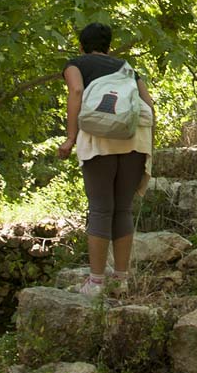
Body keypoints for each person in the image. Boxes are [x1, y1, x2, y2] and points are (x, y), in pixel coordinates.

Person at [58, 22, 155, 297]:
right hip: (134, 138)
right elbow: (149, 105)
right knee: (122, 209)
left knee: (101, 209)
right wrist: (148, 148)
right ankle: (121, 280)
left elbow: (76, 91)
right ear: (109, 46)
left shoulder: (75, 64)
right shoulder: (127, 69)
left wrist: (70, 137)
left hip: (99, 139)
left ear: (81, 45)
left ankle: (96, 283)